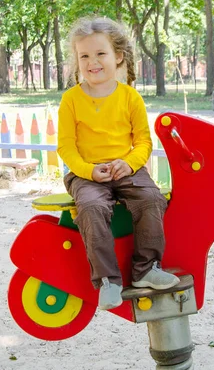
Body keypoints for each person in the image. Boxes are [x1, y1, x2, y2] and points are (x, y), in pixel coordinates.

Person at [57, 16, 180, 311]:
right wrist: (87, 171)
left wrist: (128, 163)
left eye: (100, 53)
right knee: (92, 207)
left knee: (152, 198)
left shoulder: (130, 97)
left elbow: (143, 143)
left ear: (118, 57)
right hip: (84, 172)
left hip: (126, 168)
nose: (92, 61)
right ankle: (108, 281)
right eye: (84, 55)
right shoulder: (71, 100)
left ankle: (145, 269)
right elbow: (66, 147)